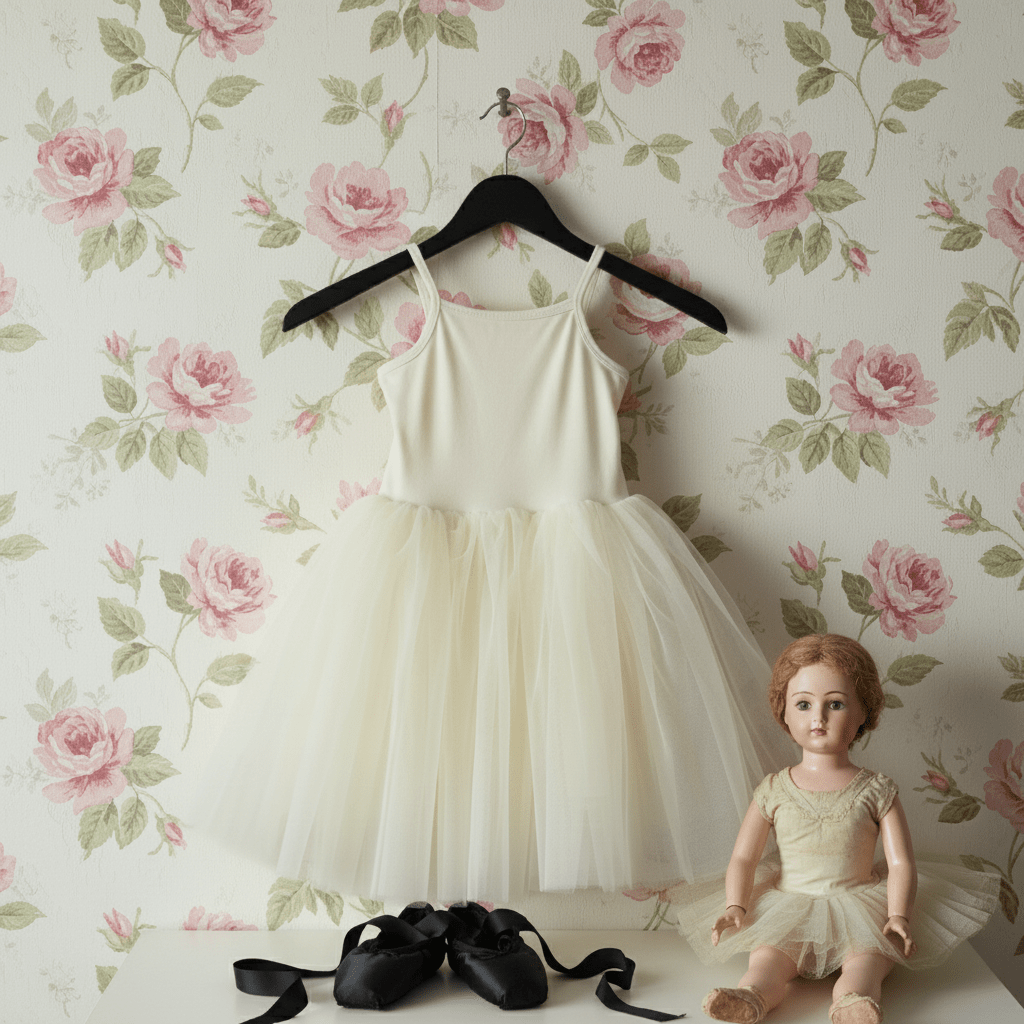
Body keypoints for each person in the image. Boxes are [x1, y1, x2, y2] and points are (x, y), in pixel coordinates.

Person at [673, 634, 999, 1024]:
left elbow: (901, 863)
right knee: (768, 958)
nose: (819, 718)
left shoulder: (876, 790)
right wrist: (735, 905)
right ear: (784, 712)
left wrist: (898, 914)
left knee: (867, 960)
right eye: (804, 704)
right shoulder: (773, 789)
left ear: (864, 713)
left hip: (860, 906)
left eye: (836, 704)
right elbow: (744, 857)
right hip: (789, 907)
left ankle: (854, 1000)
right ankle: (752, 994)